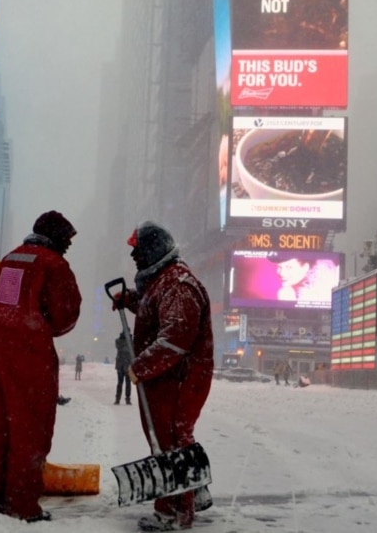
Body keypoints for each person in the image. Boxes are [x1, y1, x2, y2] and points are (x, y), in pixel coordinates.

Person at [0, 211, 81, 523]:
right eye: (68, 240)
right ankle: (21, 506)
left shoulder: (11, 259)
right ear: (57, 237)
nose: (68, 247)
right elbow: (65, 316)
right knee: (29, 432)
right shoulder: (53, 263)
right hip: (28, 356)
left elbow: (4, 304)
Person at [112, 220, 214, 532]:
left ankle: (175, 513)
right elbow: (153, 310)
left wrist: (140, 366)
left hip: (179, 380)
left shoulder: (178, 285)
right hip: (166, 379)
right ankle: (195, 492)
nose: (133, 258)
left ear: (153, 251)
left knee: (171, 441)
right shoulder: (162, 282)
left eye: (137, 251)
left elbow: (175, 337)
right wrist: (130, 300)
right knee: (173, 437)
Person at [114, 332, 132, 405]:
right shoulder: (120, 341)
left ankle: (125, 399)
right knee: (121, 383)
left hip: (126, 365)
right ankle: (119, 399)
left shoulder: (130, 341)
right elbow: (120, 347)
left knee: (126, 383)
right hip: (122, 365)